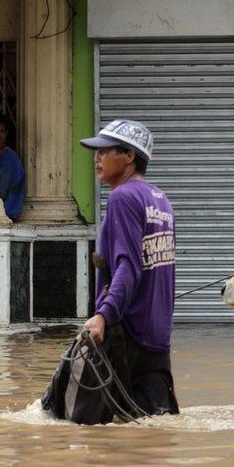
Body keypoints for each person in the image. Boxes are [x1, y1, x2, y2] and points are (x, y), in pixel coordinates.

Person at [79, 119, 179, 416]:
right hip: (157, 337)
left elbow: (128, 266)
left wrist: (102, 316)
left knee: (76, 425)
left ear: (129, 156)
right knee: (154, 427)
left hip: (126, 335)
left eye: (104, 151)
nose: (97, 158)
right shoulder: (161, 200)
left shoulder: (122, 197)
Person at [0, 116, 25, 221]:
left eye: (2, 131)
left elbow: (13, 188)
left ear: (6, 134)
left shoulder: (10, 158)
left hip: (4, 213)